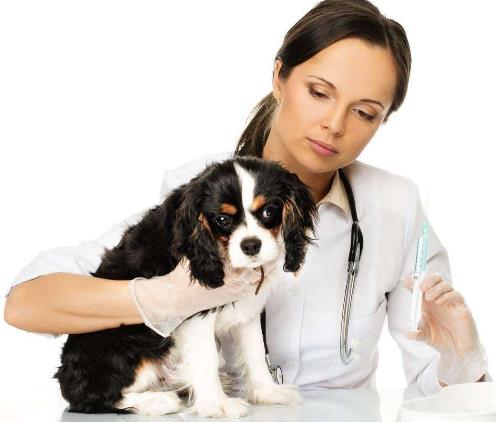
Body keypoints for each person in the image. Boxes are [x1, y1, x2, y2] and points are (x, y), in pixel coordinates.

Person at [3, 0, 490, 395]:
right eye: (319, 92)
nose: (334, 124)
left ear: (383, 120)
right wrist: (159, 298)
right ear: (280, 77)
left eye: (364, 112)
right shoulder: (199, 191)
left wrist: (460, 358)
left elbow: (434, 385)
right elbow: (27, 304)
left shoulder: (395, 205)